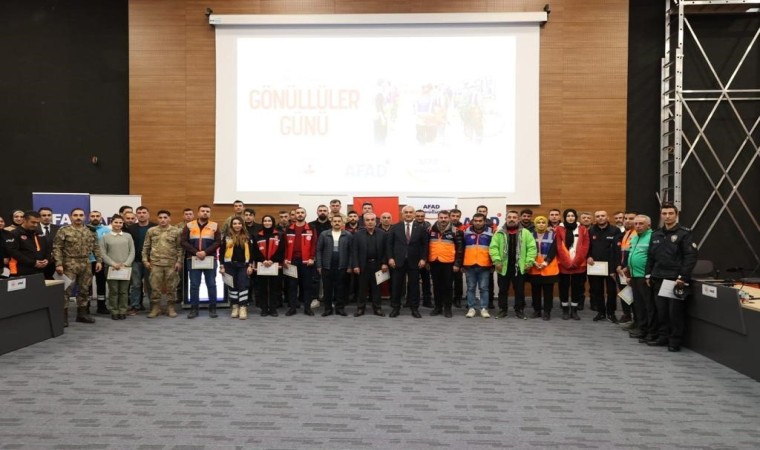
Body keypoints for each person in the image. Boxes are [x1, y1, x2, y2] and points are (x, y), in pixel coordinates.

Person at [645, 203, 698, 352]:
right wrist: (648, 274)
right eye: (664, 213)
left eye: (670, 213)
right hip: (657, 277)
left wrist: (683, 277)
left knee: (674, 312)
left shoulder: (684, 233)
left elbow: (690, 257)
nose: (667, 216)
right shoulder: (656, 234)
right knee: (661, 311)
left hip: (674, 279)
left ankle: (674, 341)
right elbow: (650, 256)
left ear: (676, 215)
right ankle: (663, 337)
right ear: (661, 215)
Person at [52, 207, 102, 326]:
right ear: (71, 217)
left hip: (86, 262)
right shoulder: (64, 230)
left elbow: (96, 247)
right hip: (69, 263)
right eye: (75, 215)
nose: (78, 217)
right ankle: (62, 317)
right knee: (65, 290)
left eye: (80, 215)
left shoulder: (90, 230)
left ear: (84, 217)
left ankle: (82, 314)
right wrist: (58, 263)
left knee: (84, 289)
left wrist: (99, 260)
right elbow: (57, 248)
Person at [489, 210, 537, 320]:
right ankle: (503, 310)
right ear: (505, 219)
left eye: (514, 217)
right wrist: (497, 261)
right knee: (502, 290)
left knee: (519, 291)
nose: (511, 219)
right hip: (503, 267)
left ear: (518, 219)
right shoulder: (499, 233)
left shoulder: (525, 233)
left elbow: (532, 248)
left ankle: (519, 310)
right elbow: (493, 248)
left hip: (519, 267)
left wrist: (529, 262)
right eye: (509, 217)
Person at [386, 205, 429, 318]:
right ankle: (396, 308)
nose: (408, 214)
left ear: (414, 214)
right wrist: (390, 258)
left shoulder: (421, 228)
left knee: (414, 286)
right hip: (397, 261)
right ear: (402, 214)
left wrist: (423, 259)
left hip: (414, 261)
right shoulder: (395, 227)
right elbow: (389, 244)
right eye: (406, 212)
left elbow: (425, 245)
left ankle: (414, 308)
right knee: (396, 286)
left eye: (410, 212)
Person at [180, 205, 221, 319]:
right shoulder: (189, 225)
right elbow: (183, 241)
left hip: (209, 258)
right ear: (198, 213)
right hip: (193, 259)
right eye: (203, 211)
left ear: (210, 213)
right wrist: (196, 252)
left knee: (211, 284)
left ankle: (212, 308)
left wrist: (205, 252)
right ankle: (194, 309)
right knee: (194, 285)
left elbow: (218, 242)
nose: (205, 213)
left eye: (207, 211)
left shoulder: (215, 225)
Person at [142, 210, 182, 319]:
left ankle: (170, 307)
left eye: (165, 217)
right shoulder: (151, 231)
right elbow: (146, 247)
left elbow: (180, 248)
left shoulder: (176, 231)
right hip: (155, 263)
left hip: (171, 264)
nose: (162, 220)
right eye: (160, 218)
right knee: (155, 287)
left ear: (169, 219)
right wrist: (145, 260)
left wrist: (179, 261)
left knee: (171, 287)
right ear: (157, 219)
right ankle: (156, 308)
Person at [622, 215, 655, 342]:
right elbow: (631, 255)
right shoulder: (635, 237)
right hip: (634, 276)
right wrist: (628, 271)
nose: (637, 226)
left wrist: (649, 275)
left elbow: (653, 258)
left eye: (641, 223)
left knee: (648, 306)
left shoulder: (652, 237)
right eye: (636, 224)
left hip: (645, 277)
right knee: (639, 305)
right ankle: (642, 329)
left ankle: (651, 332)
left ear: (649, 225)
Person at [427, 210, 464, 318]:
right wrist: (427, 261)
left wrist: (457, 264)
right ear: (438, 218)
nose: (443, 219)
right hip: (434, 262)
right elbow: (426, 246)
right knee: (436, 286)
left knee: (448, 286)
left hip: (449, 263)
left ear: (449, 218)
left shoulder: (456, 231)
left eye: (445, 217)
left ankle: (447, 308)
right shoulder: (430, 230)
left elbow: (460, 249)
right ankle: (437, 307)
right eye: (441, 217)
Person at [554, 209, 589, 320]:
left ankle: (574, 310)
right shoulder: (559, 229)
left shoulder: (582, 229)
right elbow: (558, 247)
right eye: (568, 216)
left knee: (577, 288)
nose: (570, 218)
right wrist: (567, 262)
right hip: (563, 264)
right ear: (565, 217)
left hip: (579, 265)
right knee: (563, 288)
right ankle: (565, 309)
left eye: (572, 216)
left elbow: (585, 246)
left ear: (575, 217)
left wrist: (576, 261)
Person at [99, 214, 135, 320]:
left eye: (120, 222)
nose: (118, 224)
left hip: (125, 268)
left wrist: (126, 264)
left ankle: (123, 310)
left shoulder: (128, 236)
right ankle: (114, 311)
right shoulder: (105, 237)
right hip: (111, 268)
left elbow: (132, 251)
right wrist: (113, 264)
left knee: (124, 291)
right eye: (116, 222)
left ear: (122, 224)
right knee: (113, 291)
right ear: (111, 223)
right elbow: (103, 253)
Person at [351, 212, 387, 317]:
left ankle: (377, 308)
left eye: (372, 220)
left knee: (377, 288)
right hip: (363, 265)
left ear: (376, 221)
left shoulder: (382, 234)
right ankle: (360, 308)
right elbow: (354, 251)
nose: (370, 222)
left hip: (378, 265)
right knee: (362, 288)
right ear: (364, 222)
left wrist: (384, 263)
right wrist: (355, 265)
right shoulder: (358, 234)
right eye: (367, 220)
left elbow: (386, 250)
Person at [315, 215, 352, 316]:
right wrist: (319, 265)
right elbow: (318, 250)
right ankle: (328, 309)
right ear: (331, 223)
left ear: (342, 223)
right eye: (335, 221)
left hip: (342, 265)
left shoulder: (348, 235)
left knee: (341, 288)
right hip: (327, 265)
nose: (337, 223)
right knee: (327, 288)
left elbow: (351, 252)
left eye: (339, 221)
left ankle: (340, 308)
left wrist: (349, 266)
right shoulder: (324, 234)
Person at [284, 207, 317, 316]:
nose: (300, 214)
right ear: (294, 215)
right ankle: (292, 308)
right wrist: (285, 259)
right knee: (292, 285)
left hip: (306, 261)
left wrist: (312, 257)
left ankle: (307, 308)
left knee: (307, 285)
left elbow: (314, 244)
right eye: (298, 213)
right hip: (292, 261)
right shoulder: (289, 229)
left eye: (302, 212)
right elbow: (285, 245)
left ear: (305, 214)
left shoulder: (311, 228)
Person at [220, 217, 254, 320]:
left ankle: (243, 307)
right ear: (231, 225)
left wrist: (250, 265)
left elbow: (252, 253)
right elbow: (221, 253)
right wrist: (222, 266)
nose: (237, 225)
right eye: (234, 223)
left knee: (242, 285)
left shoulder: (247, 237)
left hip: (243, 265)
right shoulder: (226, 237)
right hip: (229, 265)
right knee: (232, 286)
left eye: (239, 223)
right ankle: (235, 307)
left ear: (242, 225)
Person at [253, 215, 287, 317]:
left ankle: (273, 309)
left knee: (274, 288)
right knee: (262, 288)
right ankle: (264, 309)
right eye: (265, 221)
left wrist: (272, 260)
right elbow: (255, 250)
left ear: (273, 222)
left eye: (269, 221)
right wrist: (263, 260)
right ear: (262, 222)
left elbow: (282, 249)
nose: (267, 222)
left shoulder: (280, 234)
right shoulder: (257, 235)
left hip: (275, 264)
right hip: (262, 265)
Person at [528, 216, 559, 320]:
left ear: (546, 224)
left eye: (543, 222)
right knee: (535, 291)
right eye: (538, 222)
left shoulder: (553, 234)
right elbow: (526, 249)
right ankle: (537, 311)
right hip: (534, 266)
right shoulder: (530, 235)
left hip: (549, 267)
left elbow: (554, 249)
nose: (541, 224)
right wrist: (533, 262)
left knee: (548, 292)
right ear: (535, 224)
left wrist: (546, 262)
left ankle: (547, 312)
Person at [462, 213, 493, 318]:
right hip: (469, 264)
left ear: (484, 221)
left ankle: (484, 308)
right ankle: (471, 308)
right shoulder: (465, 232)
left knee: (484, 288)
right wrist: (461, 264)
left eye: (480, 221)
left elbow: (494, 249)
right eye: (475, 220)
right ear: (472, 221)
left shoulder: (491, 232)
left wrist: (493, 265)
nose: (478, 222)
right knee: (471, 288)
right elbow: (461, 248)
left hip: (484, 265)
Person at [126, 206, 156, 315]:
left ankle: (154, 306)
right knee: (135, 285)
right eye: (139, 213)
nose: (141, 214)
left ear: (148, 214)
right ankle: (135, 306)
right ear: (136, 215)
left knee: (151, 285)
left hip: (151, 261)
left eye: (144, 212)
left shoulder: (154, 227)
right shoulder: (131, 228)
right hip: (136, 260)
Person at [6, 211, 51, 276]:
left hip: (41, 269)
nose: (35, 225)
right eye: (33, 222)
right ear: (24, 220)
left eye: (37, 223)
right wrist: (33, 263)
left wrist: (47, 259)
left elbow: (47, 248)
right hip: (22, 270)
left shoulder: (39, 233)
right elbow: (13, 252)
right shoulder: (14, 234)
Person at [616, 211, 638, 324]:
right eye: (626, 218)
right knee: (625, 293)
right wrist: (620, 265)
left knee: (635, 297)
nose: (627, 221)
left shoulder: (637, 234)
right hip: (622, 269)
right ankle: (627, 315)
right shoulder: (626, 233)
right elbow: (623, 253)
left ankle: (637, 320)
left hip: (633, 270)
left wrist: (627, 267)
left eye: (631, 218)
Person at [87, 210, 110, 314]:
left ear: (101, 218)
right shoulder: (84, 229)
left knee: (101, 283)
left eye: (97, 216)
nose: (95, 218)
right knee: (87, 284)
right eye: (93, 216)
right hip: (87, 261)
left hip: (102, 261)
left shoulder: (107, 230)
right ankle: (86, 306)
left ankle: (101, 306)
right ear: (89, 218)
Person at [414, 209, 433, 307]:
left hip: (425, 258)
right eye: (418, 216)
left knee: (426, 281)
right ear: (415, 216)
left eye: (422, 216)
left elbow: (429, 245)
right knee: (413, 281)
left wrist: (426, 260)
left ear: (424, 216)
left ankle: (427, 301)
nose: (420, 218)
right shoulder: (410, 227)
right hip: (413, 258)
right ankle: (412, 301)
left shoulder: (430, 228)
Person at [449, 208, 466, 308]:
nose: (455, 218)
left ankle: (457, 299)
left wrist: (460, 263)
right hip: (447, 258)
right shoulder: (444, 227)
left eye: (457, 216)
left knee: (458, 280)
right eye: (453, 216)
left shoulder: (464, 228)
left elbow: (463, 246)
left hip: (459, 258)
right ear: (449, 216)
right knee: (447, 280)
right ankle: (447, 299)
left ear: (460, 217)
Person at [37, 207, 60, 279]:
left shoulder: (58, 229)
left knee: (55, 284)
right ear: (39, 217)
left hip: (54, 263)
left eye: (49, 215)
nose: (47, 217)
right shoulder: (34, 228)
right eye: (44, 215)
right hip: (39, 262)